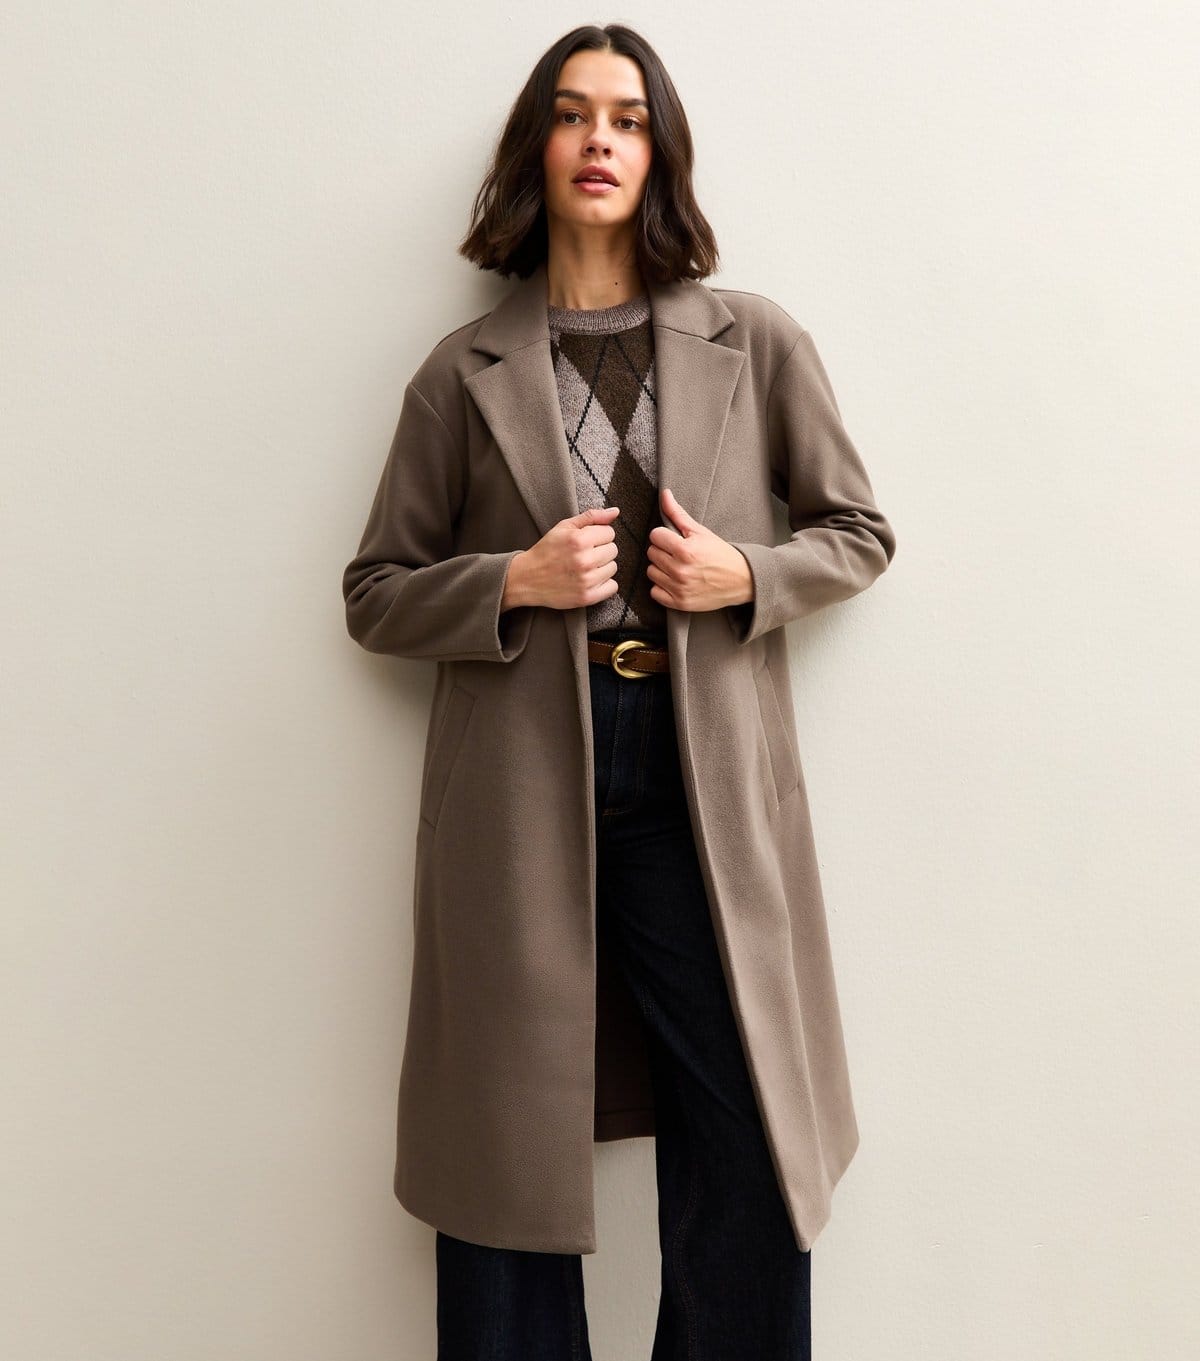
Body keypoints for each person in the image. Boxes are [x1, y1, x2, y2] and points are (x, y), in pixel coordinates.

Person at [342, 22, 897, 1361]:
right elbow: (374, 591)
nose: (601, 139)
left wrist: (746, 574)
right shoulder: (460, 371)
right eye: (575, 114)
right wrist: (512, 581)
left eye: (630, 119)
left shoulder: (754, 341)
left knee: (747, 1112)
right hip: (522, 776)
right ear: (536, 148)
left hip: (703, 771)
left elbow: (858, 532)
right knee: (509, 1135)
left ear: (660, 154)